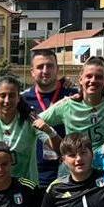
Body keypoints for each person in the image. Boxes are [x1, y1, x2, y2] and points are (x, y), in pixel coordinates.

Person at [21, 50, 78, 188]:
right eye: (40, 67)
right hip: (35, 172)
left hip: (69, 169)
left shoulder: (73, 96)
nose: (45, 71)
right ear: (32, 72)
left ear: (57, 69)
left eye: (50, 66)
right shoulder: (22, 100)